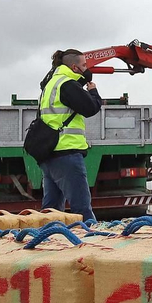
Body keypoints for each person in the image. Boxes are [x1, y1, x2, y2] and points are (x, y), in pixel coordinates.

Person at [37, 48, 101, 223]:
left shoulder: (52, 83)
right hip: (67, 153)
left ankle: (49, 241)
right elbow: (90, 108)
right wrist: (93, 92)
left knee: (51, 211)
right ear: (74, 67)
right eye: (84, 65)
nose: (87, 69)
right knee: (82, 210)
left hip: (50, 153)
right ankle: (92, 244)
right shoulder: (67, 84)